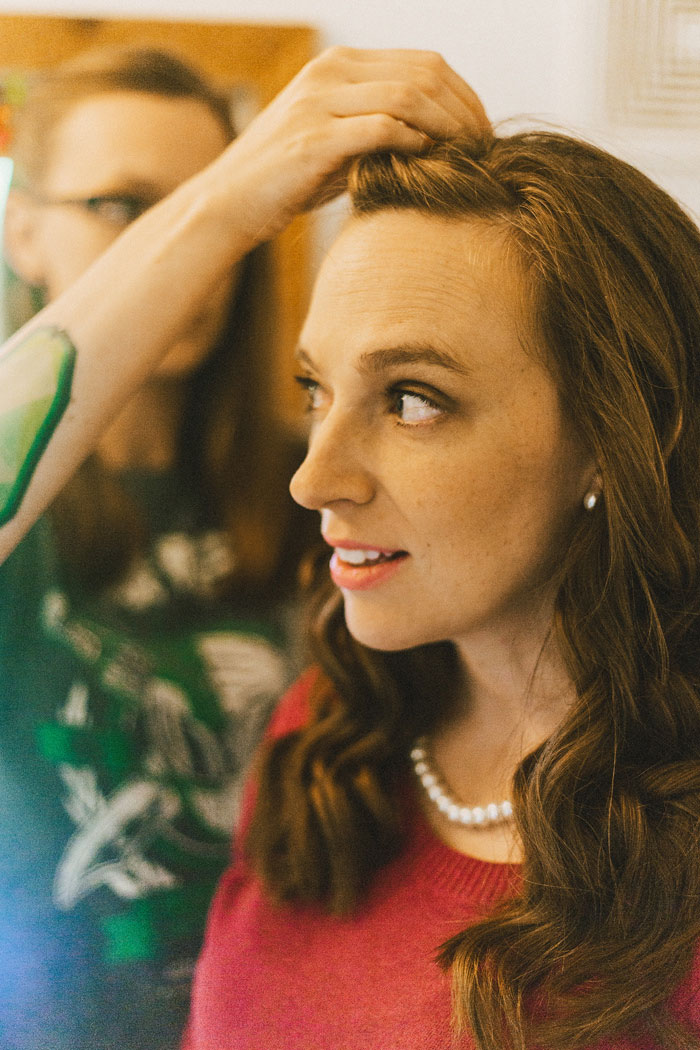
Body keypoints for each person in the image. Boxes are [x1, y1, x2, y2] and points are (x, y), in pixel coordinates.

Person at [180, 135, 700, 1048]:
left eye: (412, 400)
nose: (314, 479)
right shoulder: (327, 737)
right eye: (316, 389)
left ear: (614, 439)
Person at [0, 45, 315, 1050]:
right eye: (123, 205)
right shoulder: (28, 517)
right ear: (20, 229)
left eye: (211, 208)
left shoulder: (320, 489)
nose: (186, 248)